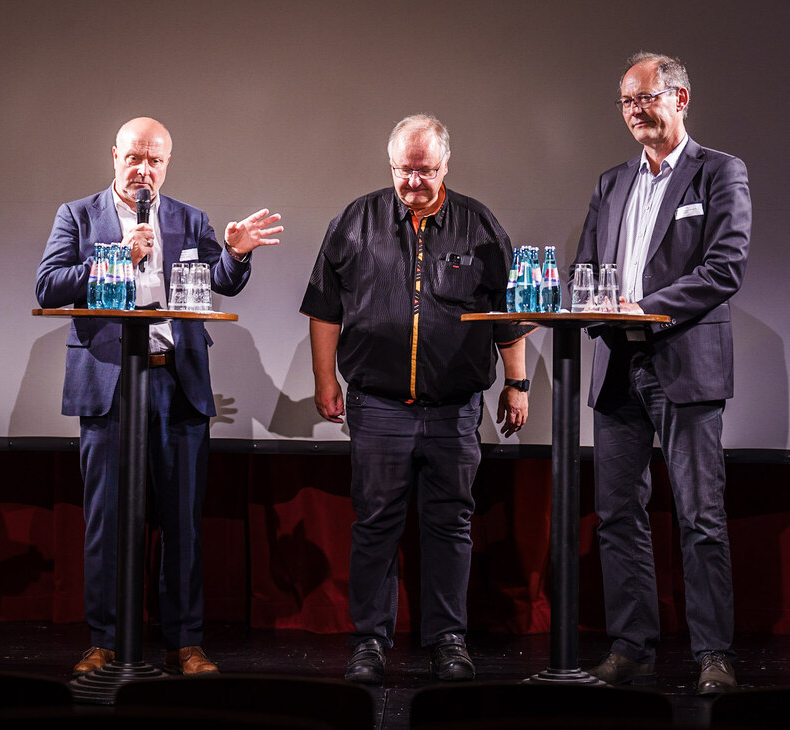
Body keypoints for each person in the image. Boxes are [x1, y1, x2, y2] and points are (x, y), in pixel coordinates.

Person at [35, 117, 282, 676]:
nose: (144, 169)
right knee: (106, 519)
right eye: (134, 158)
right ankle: (104, 639)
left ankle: (185, 642)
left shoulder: (189, 218)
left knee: (182, 520)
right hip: (110, 381)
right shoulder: (77, 215)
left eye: (156, 160)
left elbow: (218, 279)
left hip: (177, 380)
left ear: (167, 164)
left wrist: (238, 254)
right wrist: (118, 255)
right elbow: (48, 285)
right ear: (114, 155)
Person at [301, 114, 534, 685]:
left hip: (453, 409)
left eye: (424, 171)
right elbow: (324, 310)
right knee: (375, 524)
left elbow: (510, 310)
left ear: (445, 165)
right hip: (377, 407)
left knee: (450, 524)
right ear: (391, 167)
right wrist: (325, 382)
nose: (413, 182)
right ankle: (369, 642)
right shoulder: (355, 221)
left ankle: (448, 640)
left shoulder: (478, 225)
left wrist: (517, 382)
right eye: (404, 171)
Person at [575, 52, 750, 695]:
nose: (636, 111)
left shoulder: (719, 172)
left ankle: (713, 656)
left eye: (647, 98)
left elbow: (725, 266)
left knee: (700, 516)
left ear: (681, 98)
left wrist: (647, 309)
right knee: (619, 514)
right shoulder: (611, 182)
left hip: (684, 364)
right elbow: (586, 268)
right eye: (626, 101)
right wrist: (592, 310)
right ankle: (632, 647)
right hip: (618, 365)